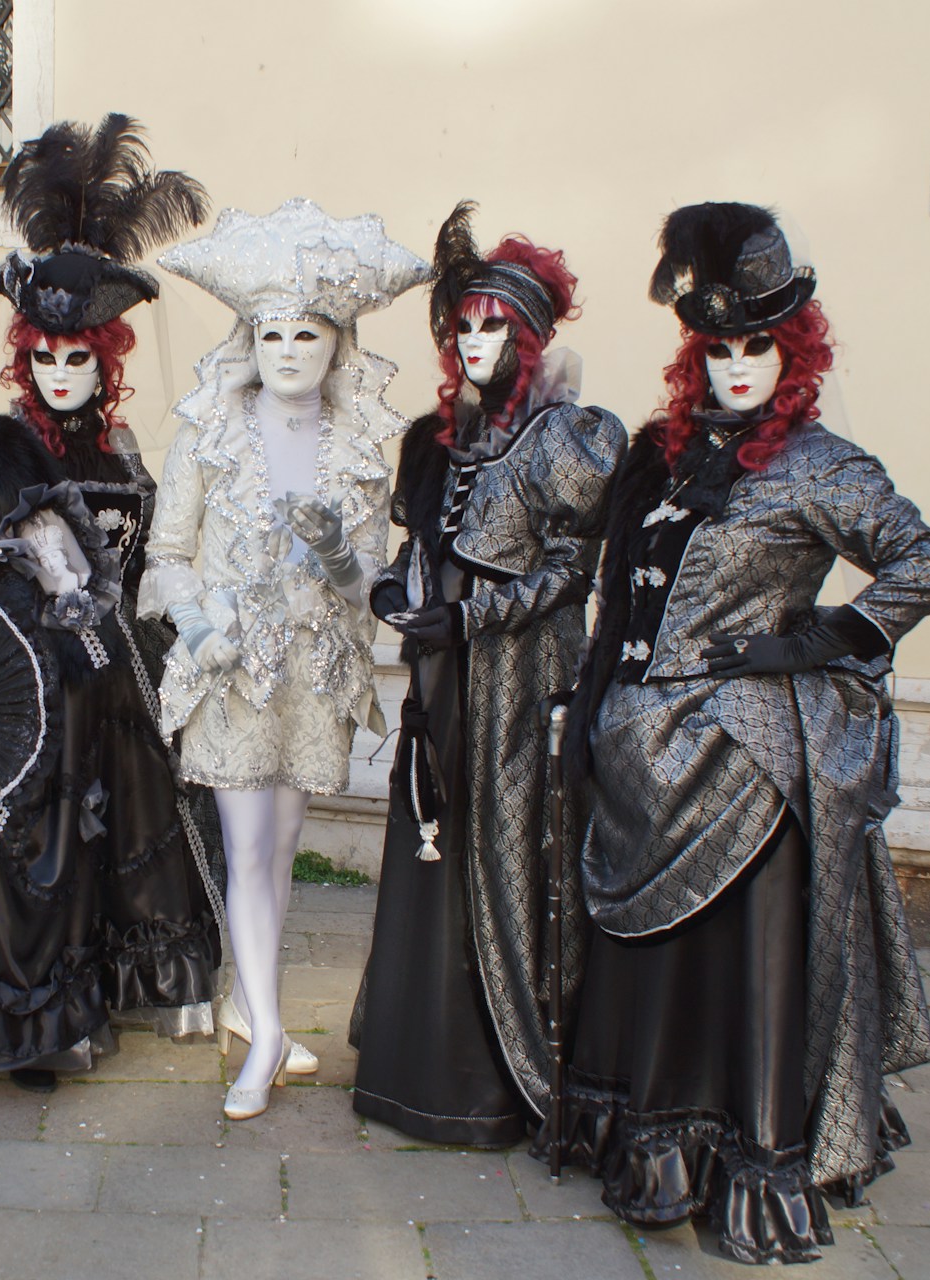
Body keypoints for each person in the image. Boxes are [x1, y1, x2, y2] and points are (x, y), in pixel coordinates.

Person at [558, 203, 930, 1264]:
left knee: (737, 966)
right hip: (640, 753)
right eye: (720, 348)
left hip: (743, 764)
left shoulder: (822, 467)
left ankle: (741, 1160)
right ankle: (649, 1144)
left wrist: (815, 638)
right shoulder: (665, 457)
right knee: (660, 964)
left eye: (759, 348)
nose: (738, 367)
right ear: (696, 354)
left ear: (794, 354)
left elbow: (927, 562)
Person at [0, 115, 219, 1091]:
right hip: (37, 690)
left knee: (131, 828)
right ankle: (39, 1018)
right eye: (47, 357)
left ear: (105, 359)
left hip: (118, 678)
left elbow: (150, 552)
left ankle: (108, 989)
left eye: (80, 359)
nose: (62, 375)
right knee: (41, 844)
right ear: (25, 358)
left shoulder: (120, 451)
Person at [145, 198, 430, 1119]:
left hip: (315, 674)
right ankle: (266, 1034)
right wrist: (201, 630)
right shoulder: (209, 432)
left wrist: (338, 551)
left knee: (280, 847)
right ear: (249, 341)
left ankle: (248, 1004)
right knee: (245, 845)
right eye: (271, 333)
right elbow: (168, 552)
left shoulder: (359, 447)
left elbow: (366, 577)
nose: (289, 351)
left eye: (308, 333)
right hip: (232, 671)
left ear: (338, 344)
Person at [351, 205, 625, 1145]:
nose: (473, 343)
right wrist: (394, 587)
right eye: (462, 327)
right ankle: (413, 1068)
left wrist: (470, 617)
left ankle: (495, 1082)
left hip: (518, 683)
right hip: (441, 681)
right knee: (431, 839)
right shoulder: (434, 442)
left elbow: (571, 573)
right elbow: (418, 548)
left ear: (530, 337)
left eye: (493, 326)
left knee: (504, 852)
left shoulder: (570, 439)